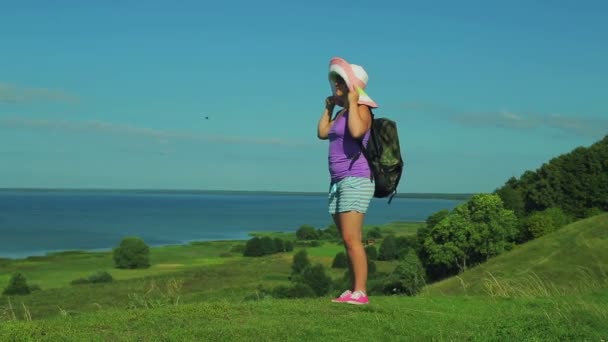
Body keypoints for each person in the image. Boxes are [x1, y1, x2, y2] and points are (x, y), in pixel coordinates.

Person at [317, 57, 379, 305]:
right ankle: (353, 288)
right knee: (347, 239)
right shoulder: (342, 113)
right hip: (337, 182)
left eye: (340, 82)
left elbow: (356, 132)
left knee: (352, 238)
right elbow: (322, 133)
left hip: (357, 178)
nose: (335, 86)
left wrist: (354, 102)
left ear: (351, 86)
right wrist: (329, 109)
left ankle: (361, 292)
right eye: (334, 82)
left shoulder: (362, 110)